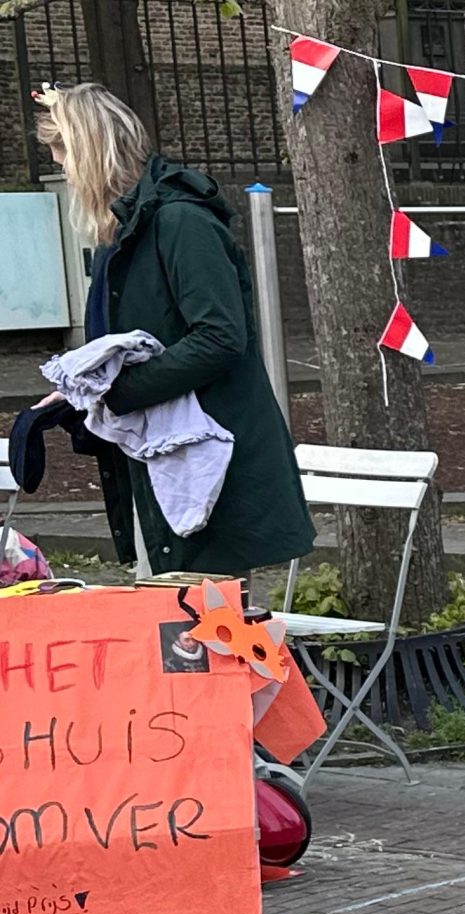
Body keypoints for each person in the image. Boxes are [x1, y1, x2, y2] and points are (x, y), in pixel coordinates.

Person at [31, 83, 312, 577]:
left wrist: (116, 393)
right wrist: (80, 391)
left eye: (64, 156)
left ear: (92, 151)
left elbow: (221, 337)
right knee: (177, 624)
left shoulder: (181, 223)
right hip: (165, 452)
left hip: (207, 453)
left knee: (200, 629)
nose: (66, 173)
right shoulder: (125, 231)